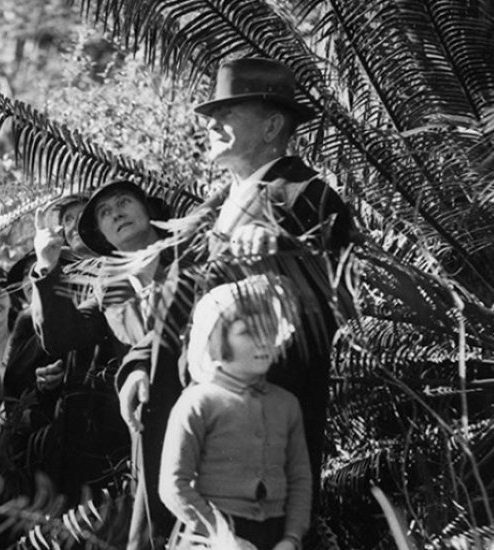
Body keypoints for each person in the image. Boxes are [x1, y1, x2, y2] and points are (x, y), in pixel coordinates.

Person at [116, 57, 354, 548]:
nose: (211, 124)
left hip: (254, 438)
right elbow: (173, 301)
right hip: (180, 417)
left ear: (271, 125)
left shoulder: (308, 198)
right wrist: (140, 364)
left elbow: (336, 301)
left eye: (229, 112)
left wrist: (276, 255)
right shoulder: (207, 212)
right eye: (211, 114)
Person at [28, 181, 170, 521]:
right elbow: (63, 337)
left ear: (148, 211)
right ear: (103, 235)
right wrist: (46, 265)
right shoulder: (109, 284)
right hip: (145, 422)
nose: (116, 213)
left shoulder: (191, 254)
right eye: (105, 213)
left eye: (123, 202)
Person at [159, 276, 311, 550]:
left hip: (274, 536)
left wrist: (292, 537)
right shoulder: (198, 402)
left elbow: (300, 478)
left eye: (268, 330)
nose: (263, 341)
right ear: (218, 339)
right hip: (210, 535)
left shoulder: (286, 404)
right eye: (247, 333)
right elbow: (173, 484)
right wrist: (222, 537)